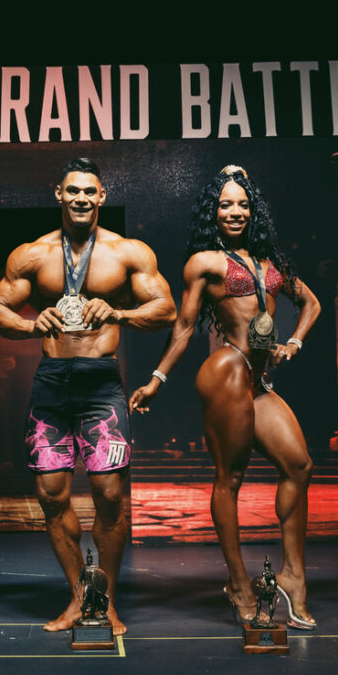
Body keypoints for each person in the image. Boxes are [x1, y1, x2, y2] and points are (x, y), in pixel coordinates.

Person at [0, 158, 176, 636]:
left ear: (102, 197)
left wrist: (119, 313)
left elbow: (166, 309)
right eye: (73, 190)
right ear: (59, 194)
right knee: (51, 495)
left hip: (101, 385)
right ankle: (79, 597)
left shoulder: (127, 252)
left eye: (90, 191)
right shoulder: (32, 255)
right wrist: (32, 324)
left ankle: (105, 600)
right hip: (51, 383)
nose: (81, 199)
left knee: (109, 496)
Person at [130, 164, 321, 629]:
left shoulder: (271, 262)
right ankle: (237, 583)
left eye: (242, 204)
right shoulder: (205, 262)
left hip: (258, 380)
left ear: (254, 210)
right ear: (212, 212)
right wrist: (156, 379)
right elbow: (184, 326)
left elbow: (311, 303)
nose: (235, 212)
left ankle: (293, 576)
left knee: (299, 466)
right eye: (225, 204)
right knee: (230, 477)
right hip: (227, 368)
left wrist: (293, 342)